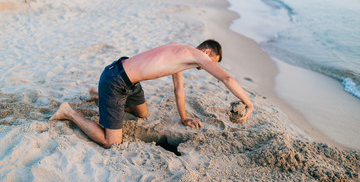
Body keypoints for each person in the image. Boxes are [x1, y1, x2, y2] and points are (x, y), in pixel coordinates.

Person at [50, 40, 253, 148]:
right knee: (110, 142)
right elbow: (227, 79)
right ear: (208, 52)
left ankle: (100, 96)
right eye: (211, 62)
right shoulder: (198, 56)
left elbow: (179, 89)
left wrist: (183, 118)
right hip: (116, 81)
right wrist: (248, 104)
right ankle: (68, 112)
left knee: (142, 114)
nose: (206, 67)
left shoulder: (180, 48)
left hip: (128, 79)